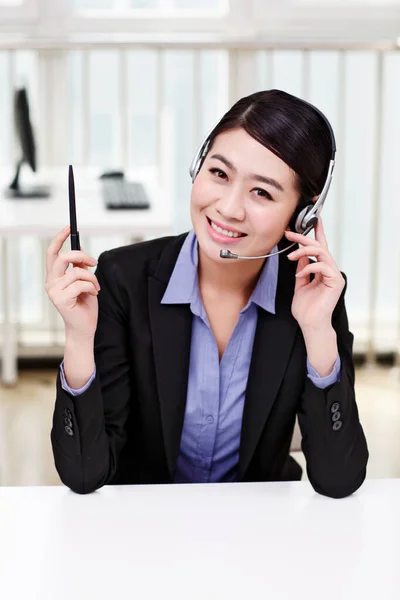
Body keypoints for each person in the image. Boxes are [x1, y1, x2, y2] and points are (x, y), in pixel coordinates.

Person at [46, 89, 368, 497]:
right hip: (145, 530)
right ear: (198, 166)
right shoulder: (122, 278)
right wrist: (77, 337)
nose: (230, 208)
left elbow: (339, 480)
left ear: (303, 215)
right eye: (219, 173)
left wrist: (319, 333)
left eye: (262, 192)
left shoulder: (315, 296)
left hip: (254, 531)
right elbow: (84, 475)